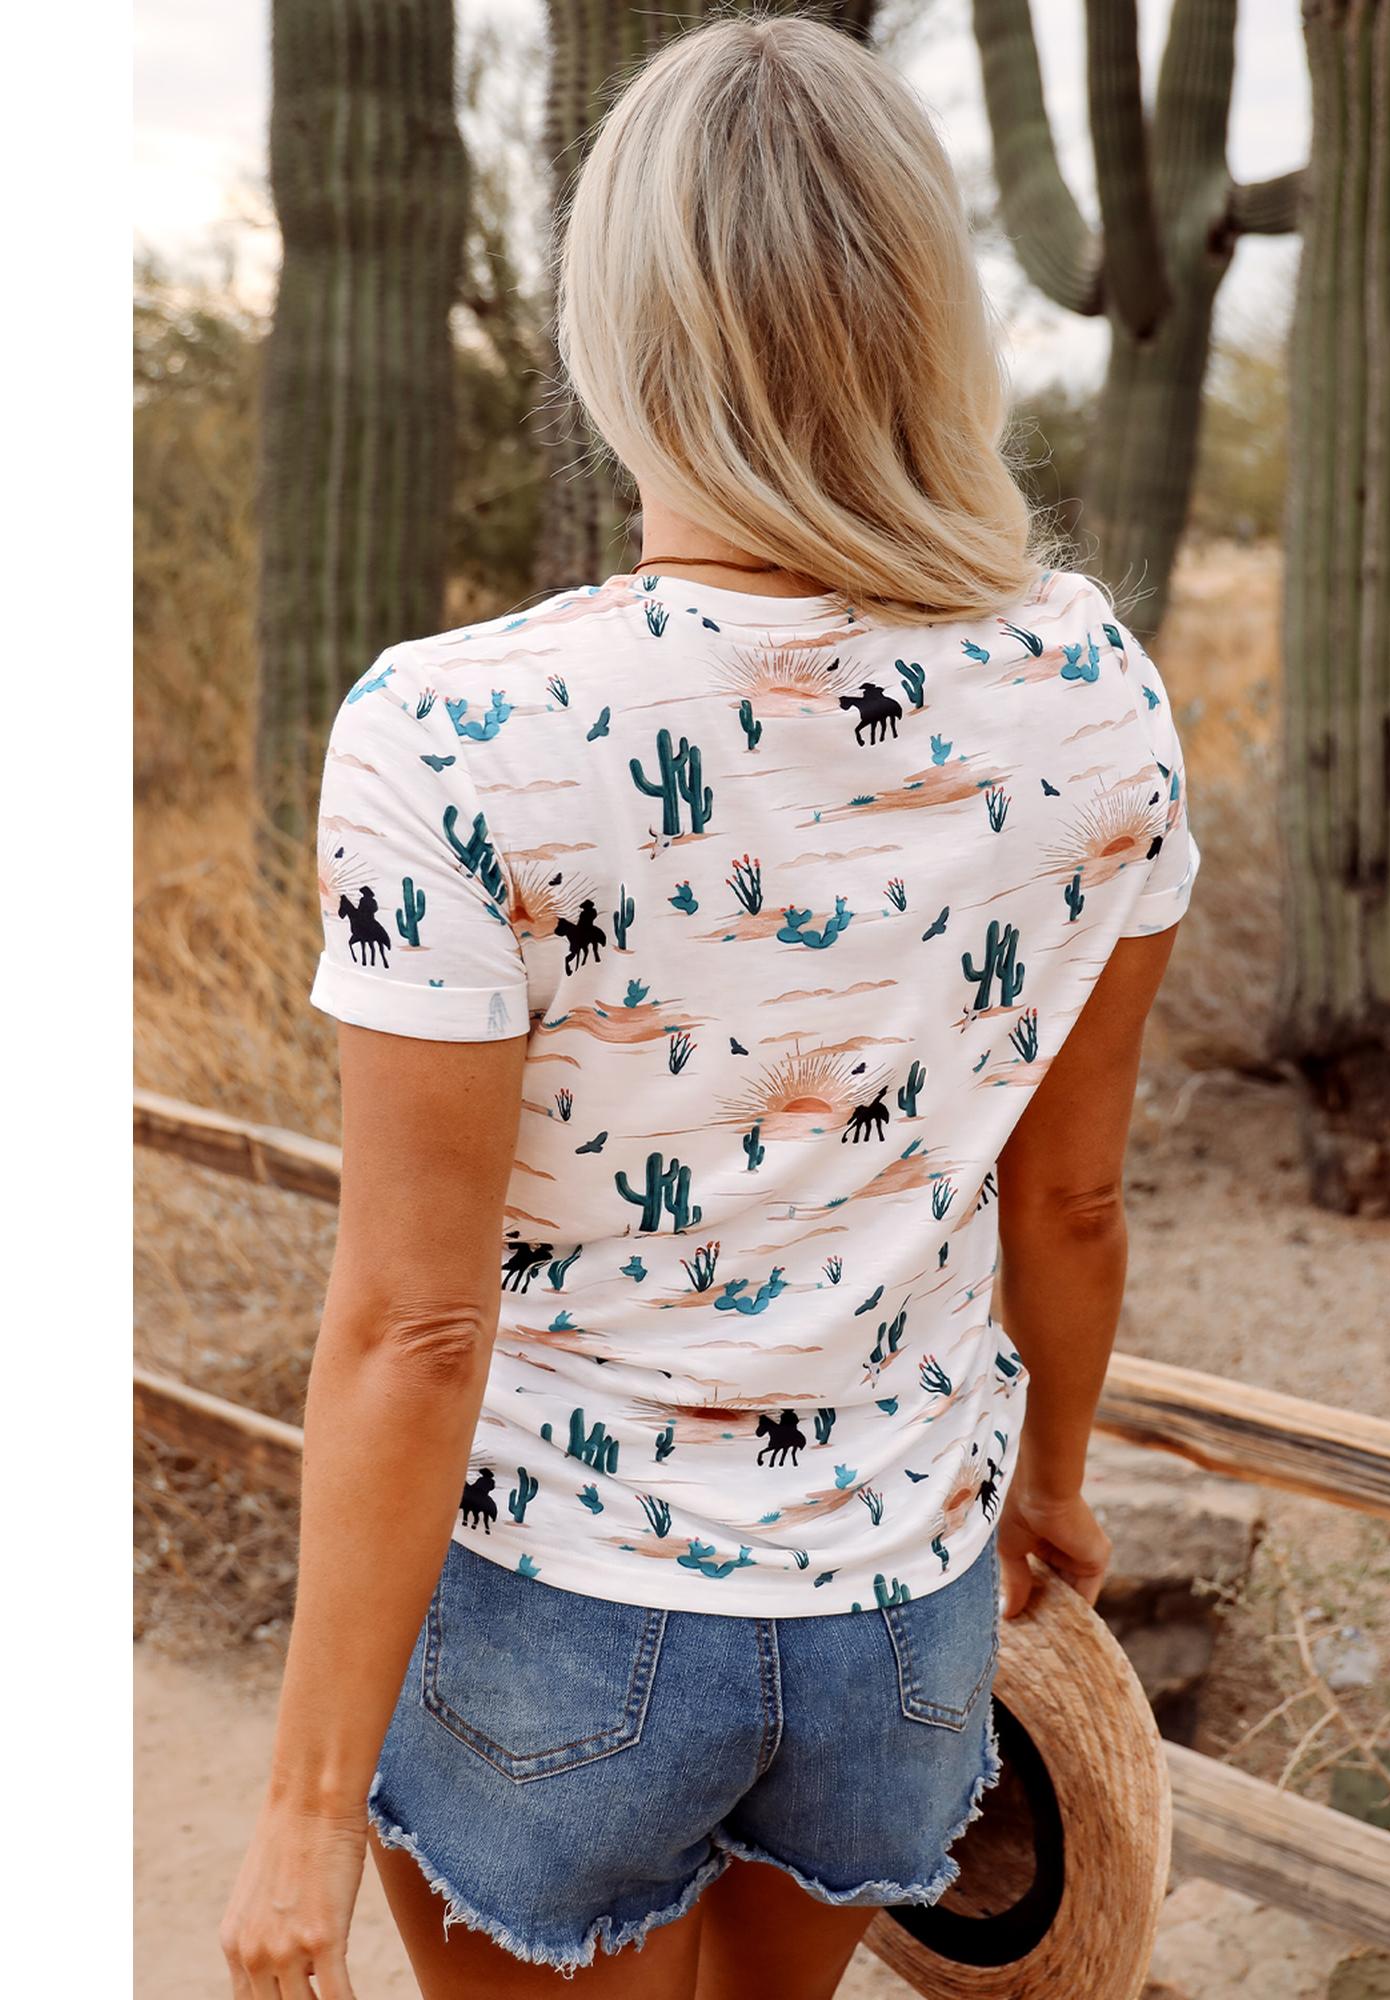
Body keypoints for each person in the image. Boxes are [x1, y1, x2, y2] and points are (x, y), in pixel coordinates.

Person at [221, 13, 1198, 1999]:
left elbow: (416, 1323)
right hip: (897, 1616)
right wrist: (1055, 1484)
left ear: (620, 325)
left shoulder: (457, 731)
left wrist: (306, 1810)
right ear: (925, 312)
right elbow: (1072, 1201)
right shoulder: (1095, 689)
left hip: (553, 1614)